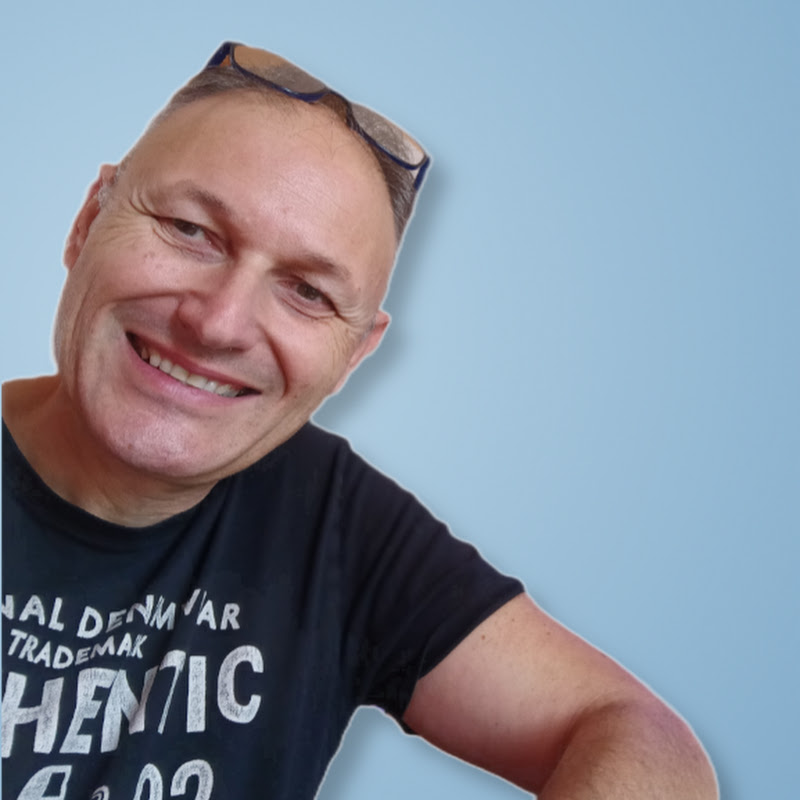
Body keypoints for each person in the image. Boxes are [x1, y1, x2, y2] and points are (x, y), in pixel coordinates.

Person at [1, 42, 717, 799]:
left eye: (307, 292)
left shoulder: (331, 519)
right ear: (88, 222)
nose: (218, 323)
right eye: (189, 230)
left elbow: (640, 735)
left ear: (354, 355)